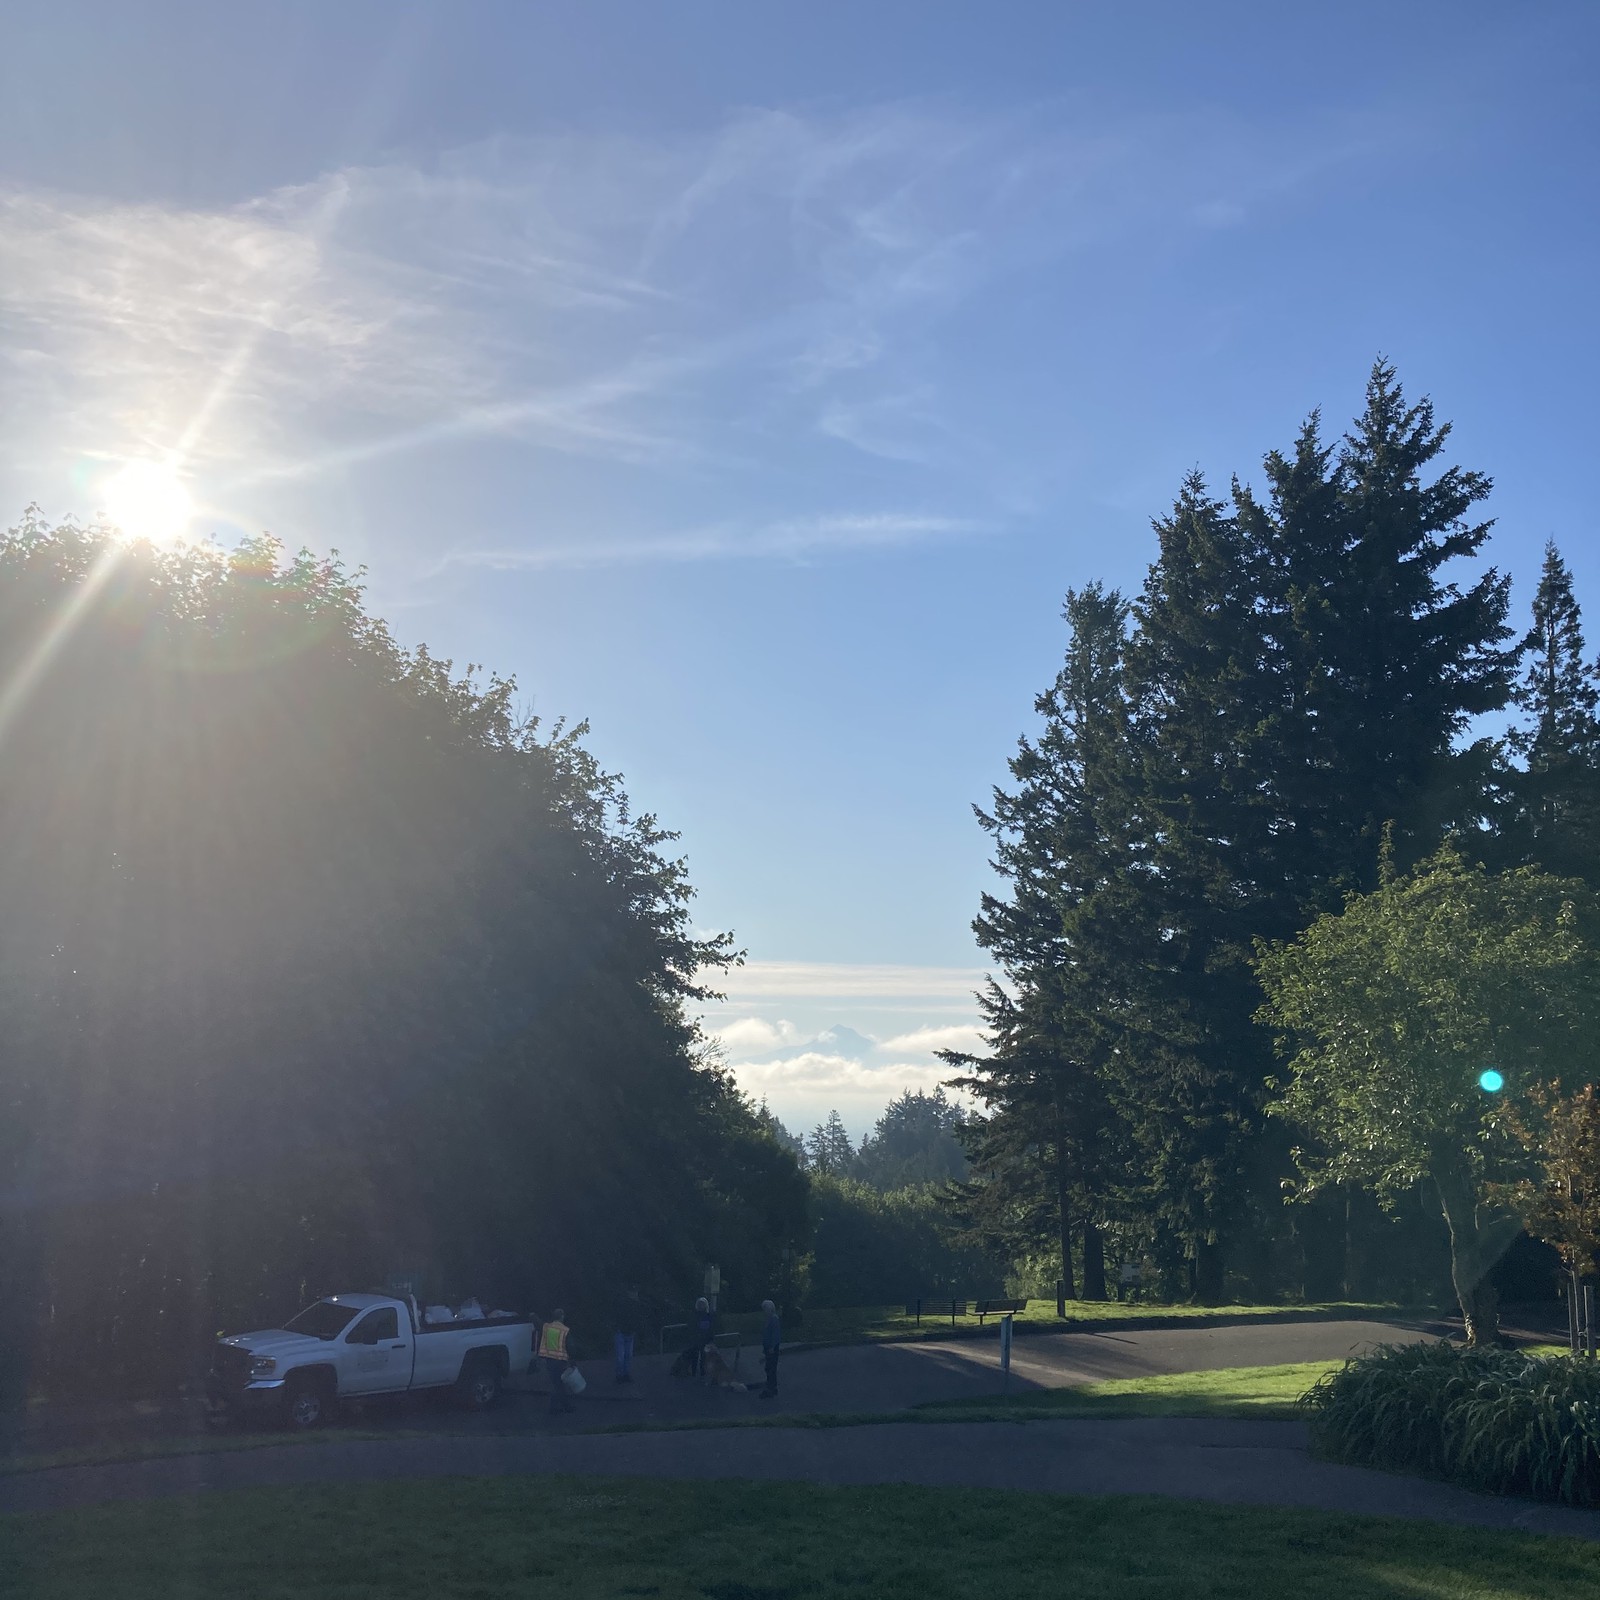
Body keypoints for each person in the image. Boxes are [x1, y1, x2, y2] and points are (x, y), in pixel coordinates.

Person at [540, 1308, 574, 1414]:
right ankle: (561, 1407)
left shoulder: (547, 1327)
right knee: (558, 1385)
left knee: (557, 1384)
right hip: (560, 1360)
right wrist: (572, 1361)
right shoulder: (564, 1330)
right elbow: (570, 1347)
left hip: (549, 1360)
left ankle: (560, 1407)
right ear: (561, 1317)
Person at [613, 1286, 641, 1384]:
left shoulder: (636, 1304)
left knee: (628, 1355)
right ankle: (619, 1375)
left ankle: (625, 1374)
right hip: (621, 1332)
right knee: (621, 1356)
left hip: (630, 1332)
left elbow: (637, 1319)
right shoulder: (623, 1303)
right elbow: (617, 1315)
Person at [759, 1299, 781, 1398]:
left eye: (766, 1308)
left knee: (771, 1368)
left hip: (772, 1348)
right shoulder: (768, 1319)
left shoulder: (774, 1319)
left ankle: (771, 1388)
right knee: (769, 1367)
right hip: (768, 1347)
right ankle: (772, 1387)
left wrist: (772, 1346)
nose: (764, 1311)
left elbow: (775, 1335)